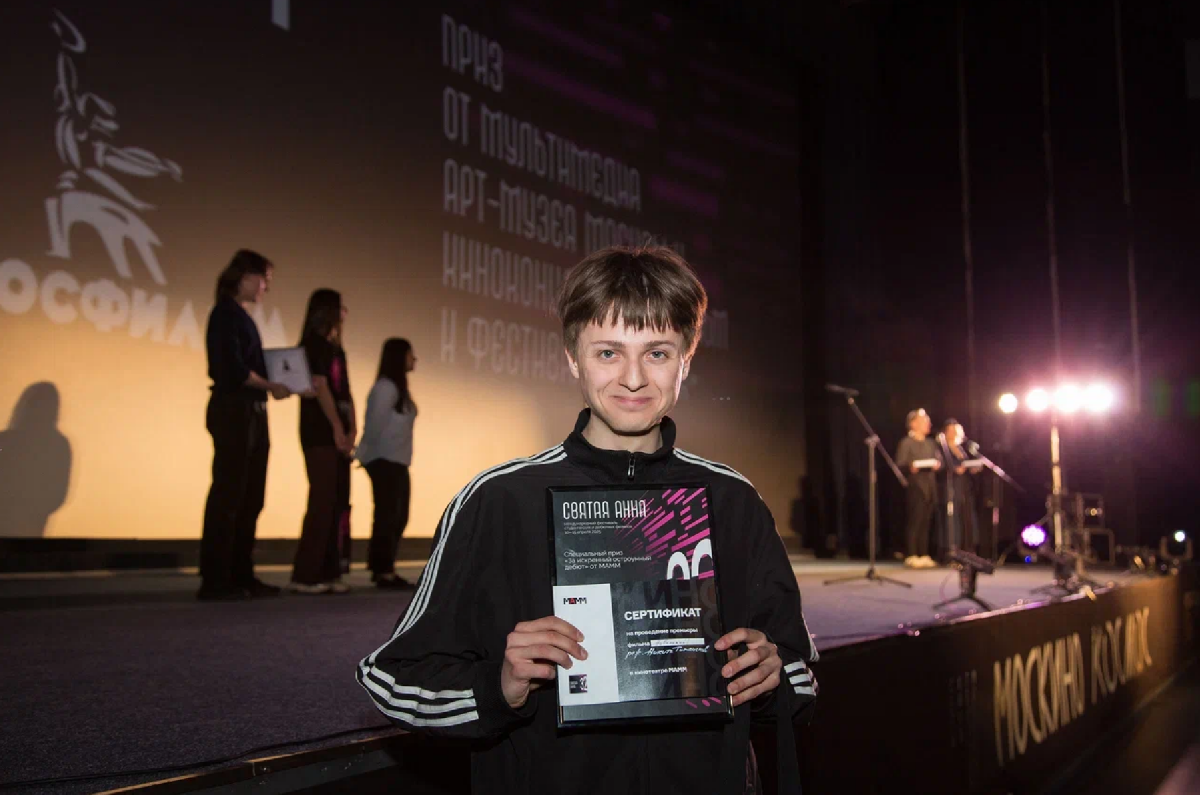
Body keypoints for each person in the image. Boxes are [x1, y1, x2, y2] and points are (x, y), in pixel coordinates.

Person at [356, 246, 819, 795]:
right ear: (573, 358)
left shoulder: (733, 500)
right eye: (607, 353)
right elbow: (392, 678)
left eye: (657, 353)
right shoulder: (498, 500)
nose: (632, 378)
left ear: (687, 361)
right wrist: (498, 686)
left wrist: (770, 677)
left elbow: (801, 675)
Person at [199, 249, 290, 601]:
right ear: (246, 276)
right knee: (230, 494)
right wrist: (271, 385)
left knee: (251, 496)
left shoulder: (241, 316)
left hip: (252, 411)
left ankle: (241, 573)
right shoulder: (225, 314)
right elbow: (232, 369)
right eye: (264, 279)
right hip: (234, 411)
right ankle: (217, 578)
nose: (266, 287)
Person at [290, 289, 354, 594]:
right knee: (322, 500)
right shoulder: (312, 345)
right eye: (340, 307)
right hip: (319, 431)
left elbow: (346, 393)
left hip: (337, 432)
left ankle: (328, 572)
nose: (344, 313)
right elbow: (320, 387)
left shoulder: (336, 349)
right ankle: (306, 574)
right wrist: (336, 427)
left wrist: (351, 429)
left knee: (336, 502)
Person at [356, 338, 418, 589]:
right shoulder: (386, 388)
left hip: (397, 460)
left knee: (396, 515)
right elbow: (374, 425)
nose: (414, 359)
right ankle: (383, 569)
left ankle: (384, 566)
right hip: (384, 460)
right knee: (388, 515)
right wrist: (363, 453)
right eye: (410, 354)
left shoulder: (398, 388)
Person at [895, 408, 941, 568]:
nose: (928, 424)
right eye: (923, 421)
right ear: (913, 424)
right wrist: (910, 467)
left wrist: (938, 465)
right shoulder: (906, 442)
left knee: (926, 521)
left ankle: (924, 553)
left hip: (930, 486)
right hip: (915, 486)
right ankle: (912, 554)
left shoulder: (931, 443)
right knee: (915, 520)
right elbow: (900, 464)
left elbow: (939, 461)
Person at [938, 418, 980, 554]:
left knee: (968, 518)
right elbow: (943, 467)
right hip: (951, 486)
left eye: (955, 430)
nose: (952, 433)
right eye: (949, 430)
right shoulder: (942, 448)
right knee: (952, 520)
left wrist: (973, 469)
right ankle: (952, 549)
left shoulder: (963, 448)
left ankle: (968, 549)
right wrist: (955, 469)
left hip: (965, 487)